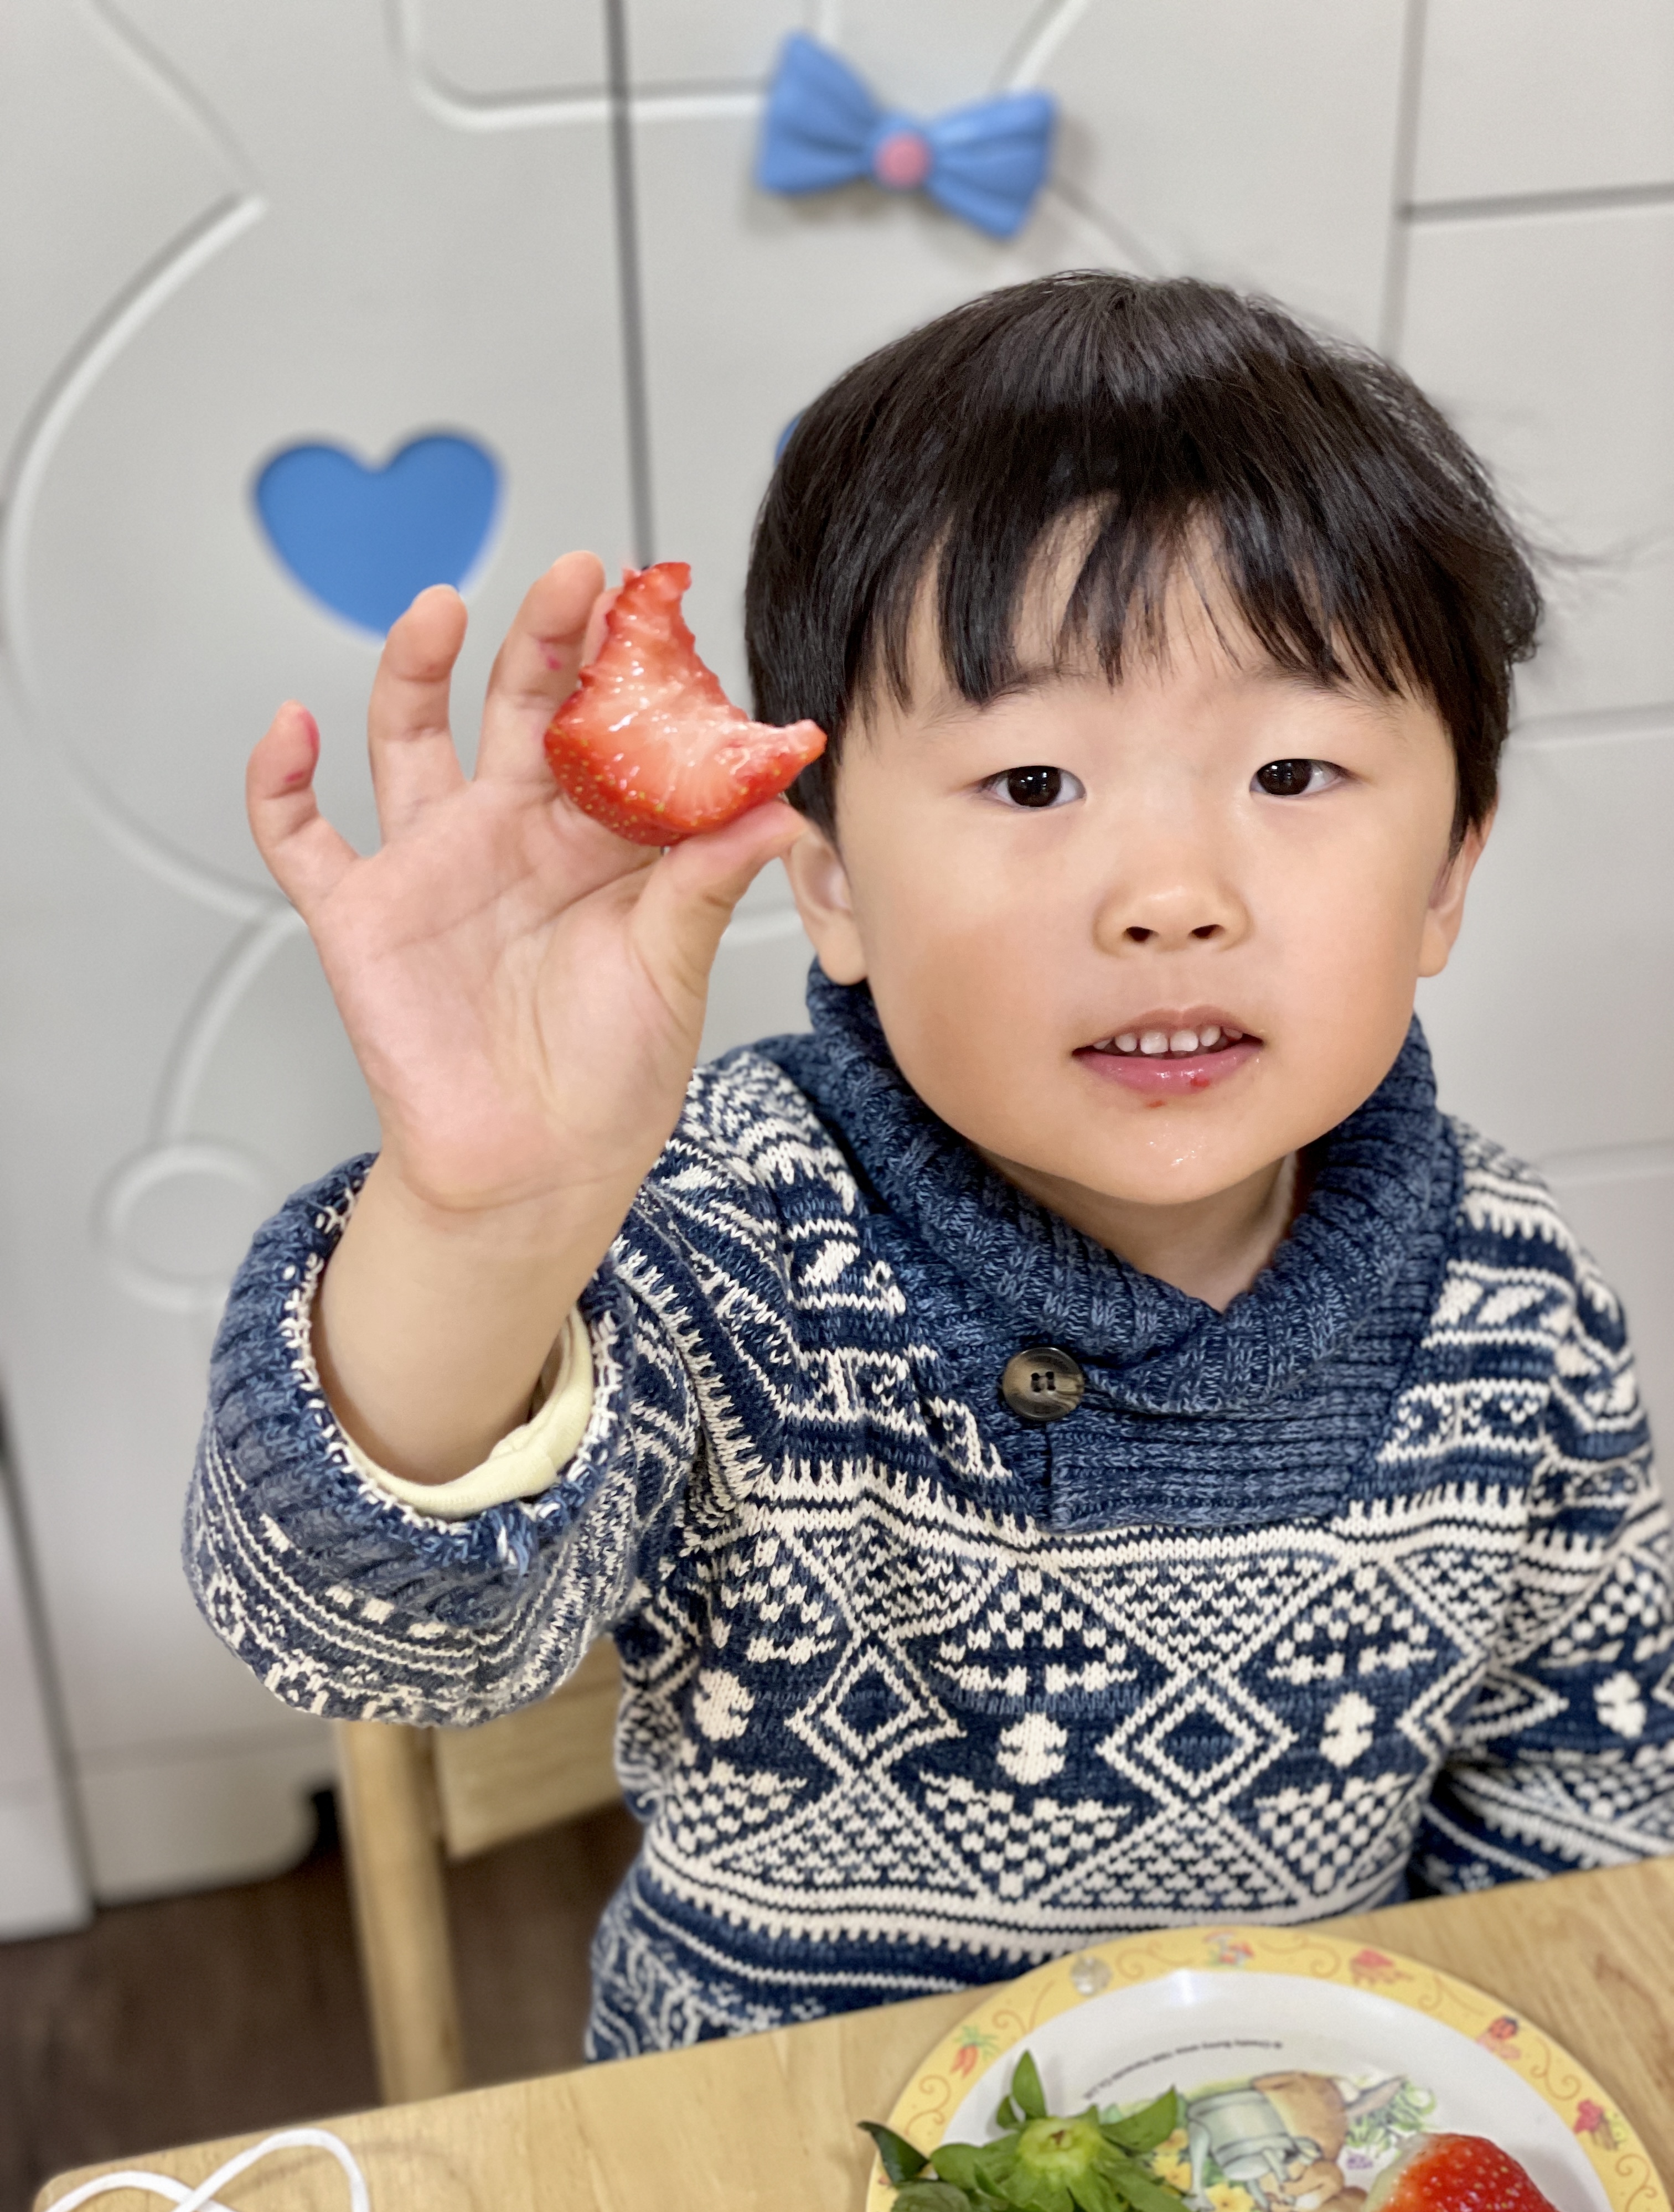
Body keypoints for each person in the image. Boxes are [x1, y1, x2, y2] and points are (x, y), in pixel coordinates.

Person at [186, 273, 1674, 2056]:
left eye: (1293, 771)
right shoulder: (731, 1236)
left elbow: (1582, 1815)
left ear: (1446, 876)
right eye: (1035, 784)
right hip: (773, 2132)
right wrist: (482, 1221)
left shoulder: (1517, 1303)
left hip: (1289, 2134)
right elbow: (374, 1643)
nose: (1172, 897)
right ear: (828, 881)